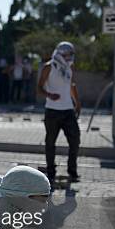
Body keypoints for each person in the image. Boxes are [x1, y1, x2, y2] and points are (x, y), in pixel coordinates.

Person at [38, 41, 82, 183]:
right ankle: (51, 172)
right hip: (52, 111)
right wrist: (49, 95)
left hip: (68, 110)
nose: (70, 57)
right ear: (61, 53)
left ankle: (72, 171)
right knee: (50, 142)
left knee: (75, 140)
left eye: (71, 54)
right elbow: (39, 88)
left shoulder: (69, 67)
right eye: (68, 54)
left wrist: (77, 102)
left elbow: (71, 85)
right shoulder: (48, 67)